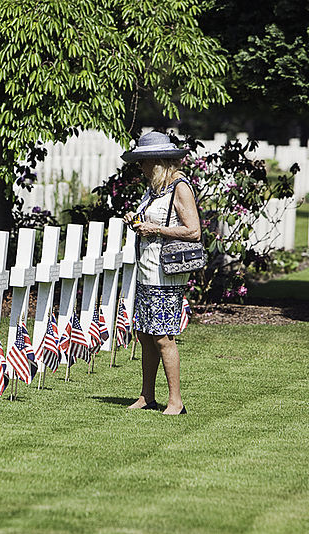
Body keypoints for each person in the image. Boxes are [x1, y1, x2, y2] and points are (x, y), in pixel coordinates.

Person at [121, 131, 200, 415]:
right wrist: (136, 220)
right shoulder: (154, 189)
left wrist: (155, 229)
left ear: (156, 161)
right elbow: (152, 219)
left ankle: (176, 402)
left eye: (143, 162)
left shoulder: (180, 187)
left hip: (165, 273)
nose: (140, 168)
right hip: (147, 268)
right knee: (144, 333)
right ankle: (147, 396)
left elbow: (193, 230)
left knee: (163, 337)